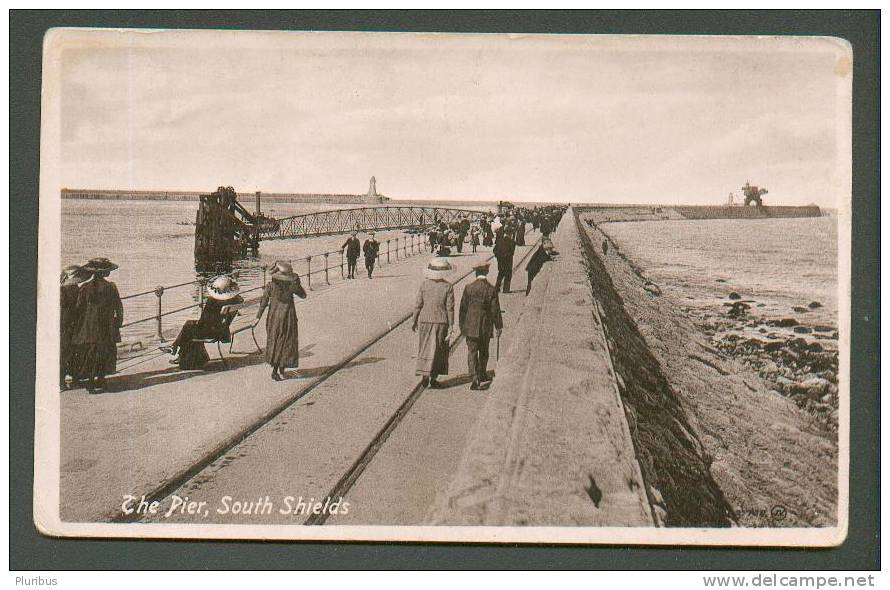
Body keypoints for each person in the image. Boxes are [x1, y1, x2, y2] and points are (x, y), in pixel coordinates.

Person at [164, 275, 243, 369]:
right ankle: (177, 351)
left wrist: (196, 324)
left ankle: (176, 350)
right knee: (190, 325)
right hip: (223, 331)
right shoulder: (235, 300)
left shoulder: (212, 302)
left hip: (212, 333)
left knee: (188, 327)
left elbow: (204, 321)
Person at [71, 257, 123, 392]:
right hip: (106, 326)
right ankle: (101, 378)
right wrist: (118, 323)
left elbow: (78, 309)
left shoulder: (84, 287)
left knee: (90, 353)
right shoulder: (110, 287)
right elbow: (118, 307)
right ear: (104, 273)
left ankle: (89, 381)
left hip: (88, 327)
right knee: (104, 352)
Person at [254, 261, 307, 381]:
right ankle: (279, 369)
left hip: (273, 318)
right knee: (287, 341)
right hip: (288, 316)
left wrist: (257, 318)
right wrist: (297, 283)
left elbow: (263, 303)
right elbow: (303, 295)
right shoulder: (291, 286)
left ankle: (278, 369)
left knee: (275, 341)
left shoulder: (270, 286)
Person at [459, 258, 503, 390]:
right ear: (487, 272)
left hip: (470, 326)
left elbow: (463, 309)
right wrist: (499, 326)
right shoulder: (491, 289)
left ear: (475, 273)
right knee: (484, 351)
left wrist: (462, 326)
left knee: (472, 351)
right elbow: (495, 309)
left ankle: (474, 376)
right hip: (485, 326)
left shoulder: (469, 288)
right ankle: (482, 373)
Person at [411, 258, 454, 389]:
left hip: (425, 320)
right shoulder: (448, 286)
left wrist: (414, 320)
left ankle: (424, 376)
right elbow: (450, 308)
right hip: (441, 321)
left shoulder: (424, 285)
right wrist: (451, 324)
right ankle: (434, 378)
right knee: (439, 349)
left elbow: (418, 304)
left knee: (424, 347)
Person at [60, 264, 89, 389]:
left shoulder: (62, 290)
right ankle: (76, 378)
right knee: (76, 351)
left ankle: (61, 381)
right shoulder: (77, 290)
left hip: (64, 324)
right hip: (75, 324)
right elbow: (81, 308)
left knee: (64, 352)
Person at [493, 225, 516, 294]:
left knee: (500, 274)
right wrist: (506, 256)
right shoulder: (512, 242)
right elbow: (512, 253)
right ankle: (506, 289)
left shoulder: (500, 241)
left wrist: (498, 257)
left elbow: (495, 250)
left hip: (500, 261)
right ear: (511, 233)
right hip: (508, 261)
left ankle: (497, 288)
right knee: (508, 275)